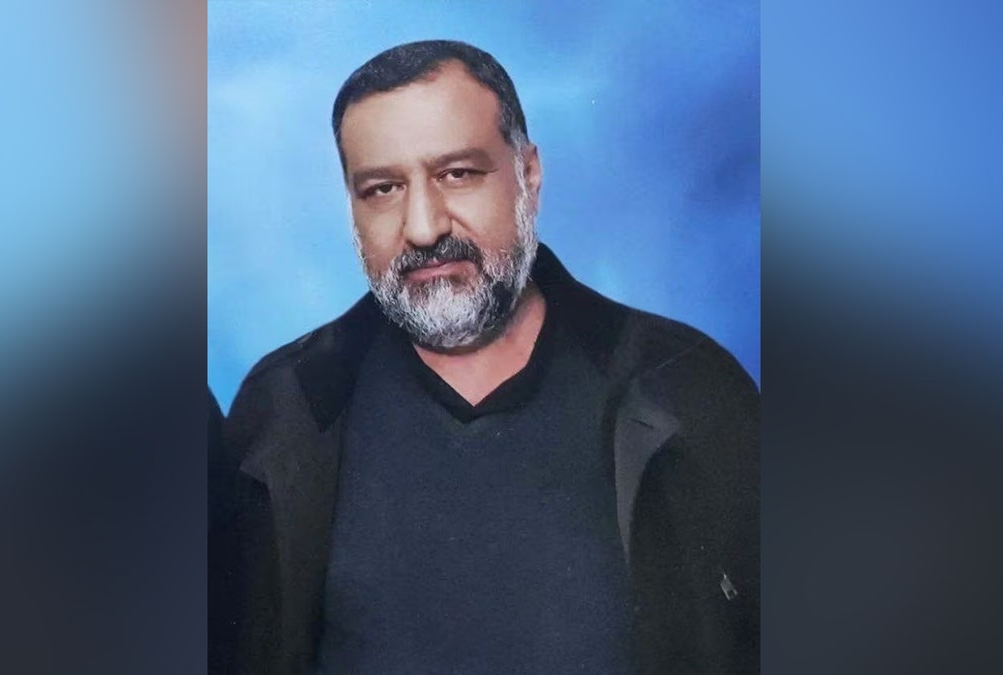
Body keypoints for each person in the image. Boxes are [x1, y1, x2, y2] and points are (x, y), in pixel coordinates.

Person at [217, 39, 759, 674]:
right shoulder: (283, 409)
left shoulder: (689, 390)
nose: (423, 227)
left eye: (457, 174)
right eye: (383, 188)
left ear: (529, 175)